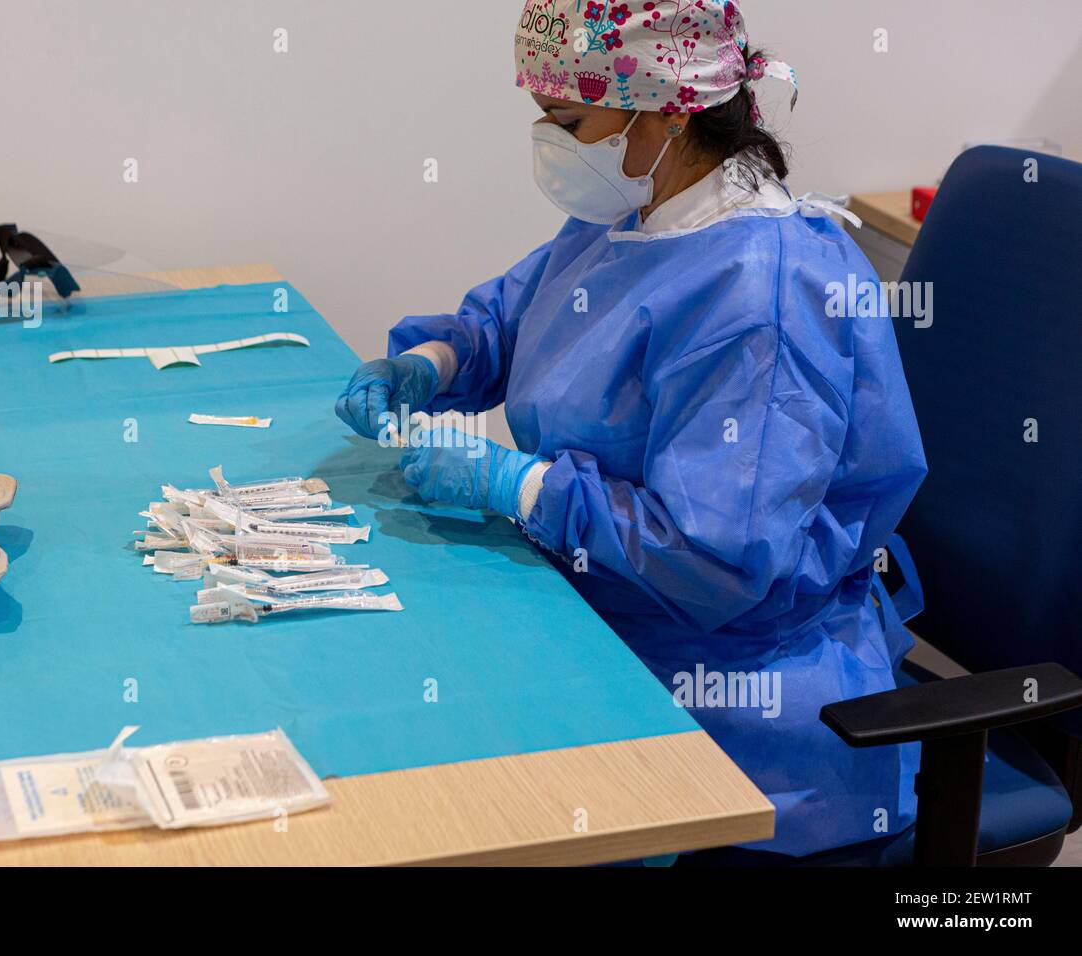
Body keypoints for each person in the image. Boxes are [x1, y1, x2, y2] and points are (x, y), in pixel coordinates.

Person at [335, 0, 927, 859]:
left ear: (667, 111)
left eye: (570, 121)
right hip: (600, 616)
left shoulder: (761, 302)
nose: (552, 140)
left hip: (727, 705)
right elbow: (524, 314)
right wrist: (438, 360)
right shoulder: (639, 213)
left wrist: (518, 484)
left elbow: (718, 563)